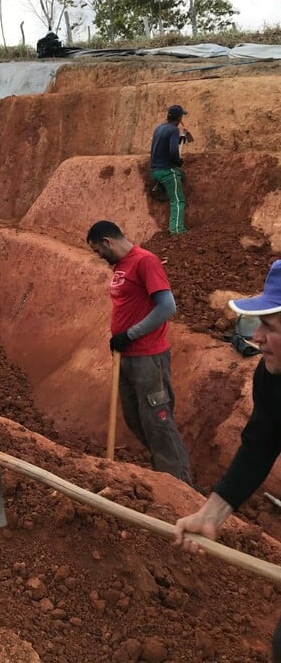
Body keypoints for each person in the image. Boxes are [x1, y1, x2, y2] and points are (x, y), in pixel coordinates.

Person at [174, 259, 281, 661]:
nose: (256, 337)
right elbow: (259, 444)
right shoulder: (271, 377)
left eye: (269, 327)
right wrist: (211, 515)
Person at [86, 220, 193, 485]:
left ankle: (180, 486)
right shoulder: (122, 266)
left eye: (98, 250)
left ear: (108, 242)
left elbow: (167, 307)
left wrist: (129, 335)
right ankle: (164, 474)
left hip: (148, 357)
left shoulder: (145, 261)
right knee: (136, 419)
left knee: (157, 421)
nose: (99, 256)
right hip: (127, 357)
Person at [150, 104, 193, 235]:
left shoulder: (160, 128)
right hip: (166, 171)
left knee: (181, 174)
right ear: (179, 118)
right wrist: (177, 161)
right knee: (178, 200)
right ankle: (177, 230)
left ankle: (160, 187)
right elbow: (173, 152)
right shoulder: (174, 130)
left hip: (154, 170)